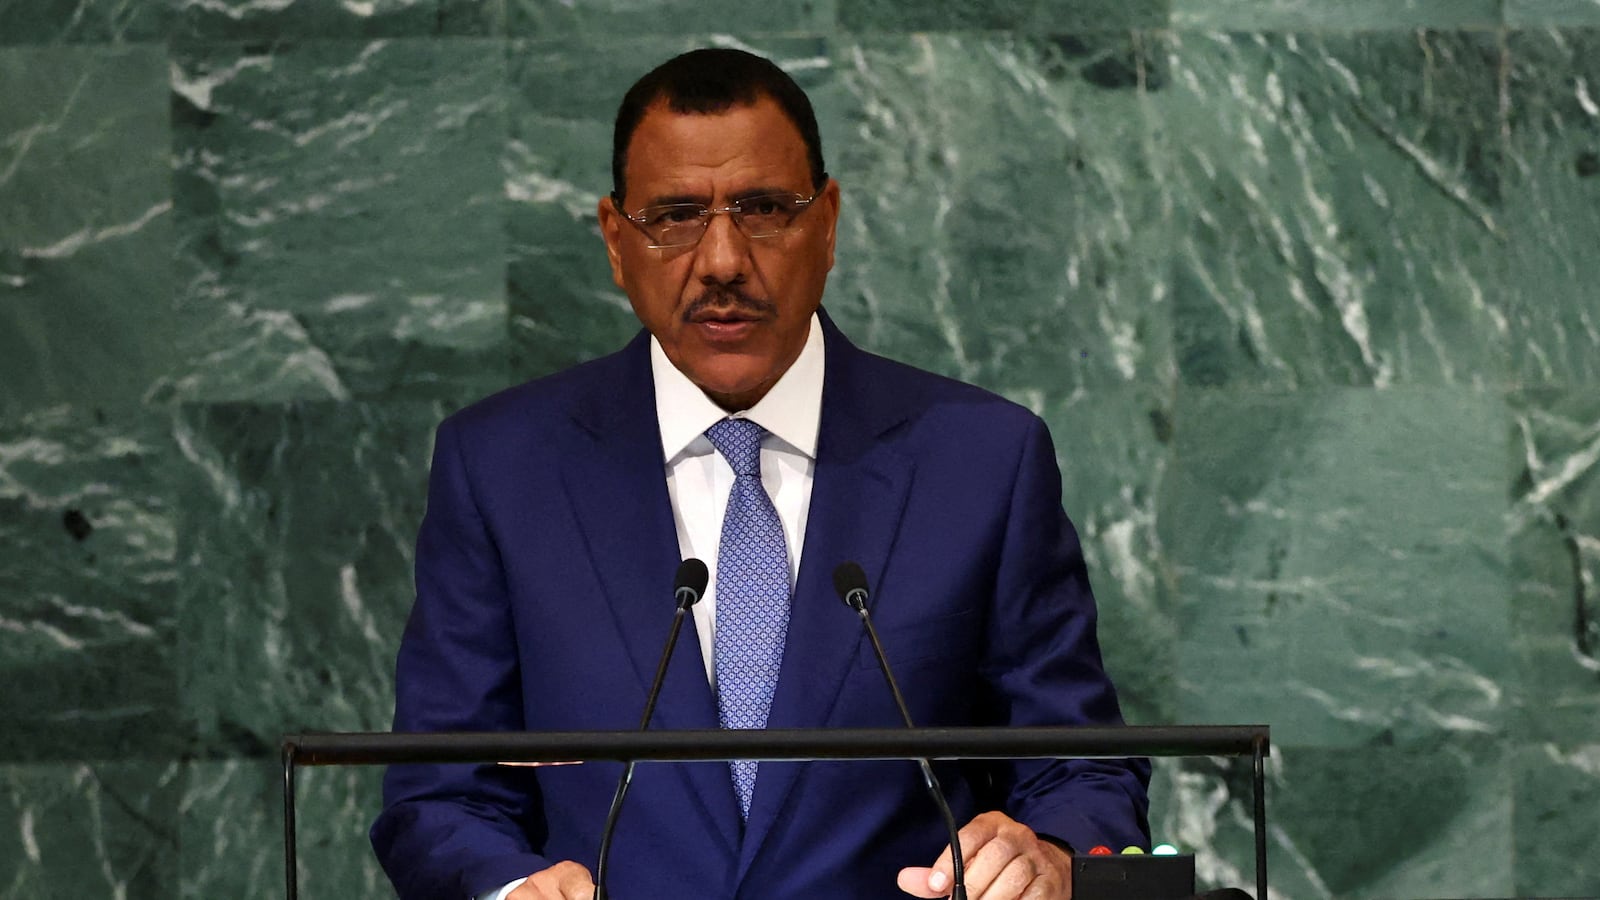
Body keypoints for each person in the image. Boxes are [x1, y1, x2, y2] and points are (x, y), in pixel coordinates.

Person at [371, 47, 1150, 900]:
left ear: (828, 221)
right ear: (615, 241)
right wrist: (509, 889)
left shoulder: (981, 460)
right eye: (673, 216)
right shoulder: (504, 467)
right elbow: (438, 795)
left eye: (763, 210)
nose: (721, 262)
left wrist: (1050, 855)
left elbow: (1084, 769)